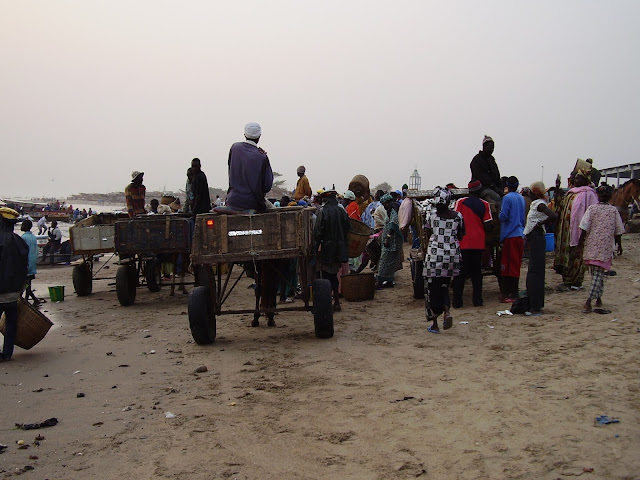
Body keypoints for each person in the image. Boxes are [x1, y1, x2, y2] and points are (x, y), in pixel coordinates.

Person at [422, 187, 465, 333]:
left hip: (434, 257)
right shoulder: (458, 216)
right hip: (452, 257)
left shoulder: (432, 215)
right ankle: (447, 312)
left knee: (431, 290)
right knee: (444, 286)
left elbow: (427, 229)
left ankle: (434, 324)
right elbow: (461, 234)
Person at [578, 184, 624, 313]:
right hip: (605, 248)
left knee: (596, 274)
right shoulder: (613, 211)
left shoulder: (592, 209)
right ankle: (591, 300)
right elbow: (618, 231)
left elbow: (583, 228)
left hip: (591, 246)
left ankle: (595, 299)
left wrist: (580, 244)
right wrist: (619, 245)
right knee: (598, 274)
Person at [553, 172, 598, 287]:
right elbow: (559, 205)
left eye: (579, 178)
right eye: (575, 178)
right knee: (566, 254)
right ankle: (567, 280)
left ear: (585, 180)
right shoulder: (570, 193)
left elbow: (593, 213)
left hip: (579, 231)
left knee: (577, 255)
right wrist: (557, 187)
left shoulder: (589, 194)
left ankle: (576, 281)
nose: (575, 180)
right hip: (565, 231)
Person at [452, 179, 492, 308]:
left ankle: (457, 302)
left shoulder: (460, 202)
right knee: (476, 274)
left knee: (460, 274)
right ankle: (477, 301)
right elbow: (489, 224)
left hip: (462, 243)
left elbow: (455, 220)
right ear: (480, 190)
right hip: (478, 243)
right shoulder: (485, 204)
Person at [523, 182, 557, 315]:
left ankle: (535, 306)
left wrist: (539, 224)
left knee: (534, 272)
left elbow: (553, 216)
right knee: (534, 271)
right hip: (535, 238)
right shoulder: (537, 204)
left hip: (537, 238)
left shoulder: (539, 204)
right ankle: (535, 304)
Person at [313, 190, 350, 312]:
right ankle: (337, 302)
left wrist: (314, 249)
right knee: (334, 273)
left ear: (326, 199)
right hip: (340, 248)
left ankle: (329, 302)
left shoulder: (323, 212)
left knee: (328, 274)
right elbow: (348, 228)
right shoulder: (342, 211)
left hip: (328, 248)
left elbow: (318, 232)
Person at [0, 207, 29, 362]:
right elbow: (24, 267)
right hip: (13, 292)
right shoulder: (20, 241)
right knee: (11, 324)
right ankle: (7, 354)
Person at [226, 122, 274, 213]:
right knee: (274, 210)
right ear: (259, 136)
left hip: (232, 200)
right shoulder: (262, 156)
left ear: (245, 134)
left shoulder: (234, 148)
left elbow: (230, 169)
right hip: (253, 203)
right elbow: (267, 186)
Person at [498, 176, 526, 302]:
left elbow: (503, 216)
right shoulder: (521, 198)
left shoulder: (507, 198)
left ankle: (510, 293)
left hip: (510, 234)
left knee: (508, 265)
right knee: (516, 264)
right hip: (520, 233)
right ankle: (513, 292)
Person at [376, 193, 404, 289]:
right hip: (393, 241)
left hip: (392, 241)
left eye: (384, 204)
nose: (384, 206)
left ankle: (380, 281)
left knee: (384, 260)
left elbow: (393, 223)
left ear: (387, 202)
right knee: (391, 262)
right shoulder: (394, 208)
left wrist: (388, 238)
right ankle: (389, 280)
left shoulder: (393, 210)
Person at [470, 135, 503, 205]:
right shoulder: (477, 160)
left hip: (493, 188)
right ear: (485, 147)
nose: (492, 150)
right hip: (481, 188)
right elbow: (482, 177)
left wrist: (500, 187)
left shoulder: (491, 160)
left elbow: (497, 175)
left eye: (493, 148)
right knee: (496, 197)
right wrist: (493, 187)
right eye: (490, 147)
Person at [20, 220, 41, 305]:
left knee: (25, 283)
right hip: (32, 261)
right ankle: (32, 299)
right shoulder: (33, 237)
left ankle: (25, 300)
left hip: (26, 262)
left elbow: (22, 252)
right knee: (28, 282)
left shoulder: (23, 238)